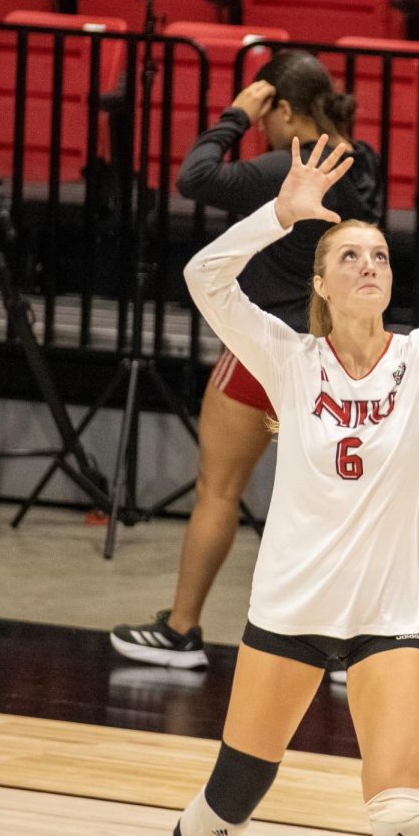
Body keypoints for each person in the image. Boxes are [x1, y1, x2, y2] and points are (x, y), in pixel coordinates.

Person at [155, 136, 419, 836]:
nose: (369, 265)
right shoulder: (286, 357)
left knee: (402, 824)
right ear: (320, 282)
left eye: (379, 255)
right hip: (290, 613)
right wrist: (276, 214)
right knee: (226, 803)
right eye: (349, 256)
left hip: (390, 616)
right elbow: (204, 277)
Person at [110, 50, 381, 670]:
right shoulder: (359, 163)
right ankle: (351, 650)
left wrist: (233, 115)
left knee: (219, 488)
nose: (263, 129)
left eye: (268, 116)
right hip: (343, 351)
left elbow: (194, 178)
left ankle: (181, 631)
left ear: (283, 109)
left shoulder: (284, 169)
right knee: (337, 501)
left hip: (270, 349)